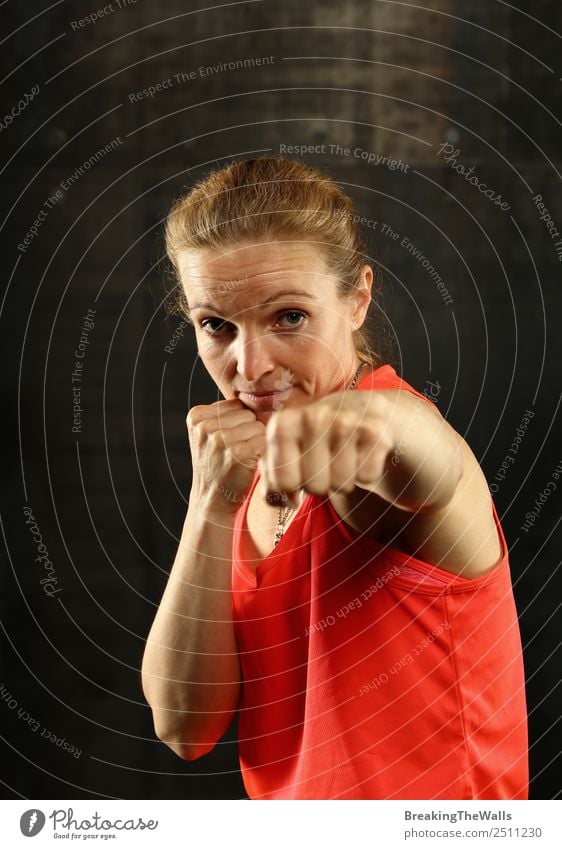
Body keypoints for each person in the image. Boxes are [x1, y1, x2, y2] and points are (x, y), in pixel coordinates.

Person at [141, 156, 528, 800]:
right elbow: (184, 725)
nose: (252, 364)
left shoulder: (390, 434)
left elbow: (414, 457)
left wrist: (368, 428)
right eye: (218, 326)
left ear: (357, 299)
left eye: (288, 317)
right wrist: (210, 503)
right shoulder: (240, 471)